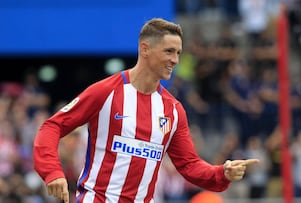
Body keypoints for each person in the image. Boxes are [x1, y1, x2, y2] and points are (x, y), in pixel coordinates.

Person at [33, 17, 259, 203]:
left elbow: (189, 165)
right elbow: (52, 126)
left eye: (178, 53)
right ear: (145, 49)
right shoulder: (105, 92)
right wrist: (52, 171)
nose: (175, 60)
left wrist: (222, 173)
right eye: (169, 51)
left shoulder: (173, 109)